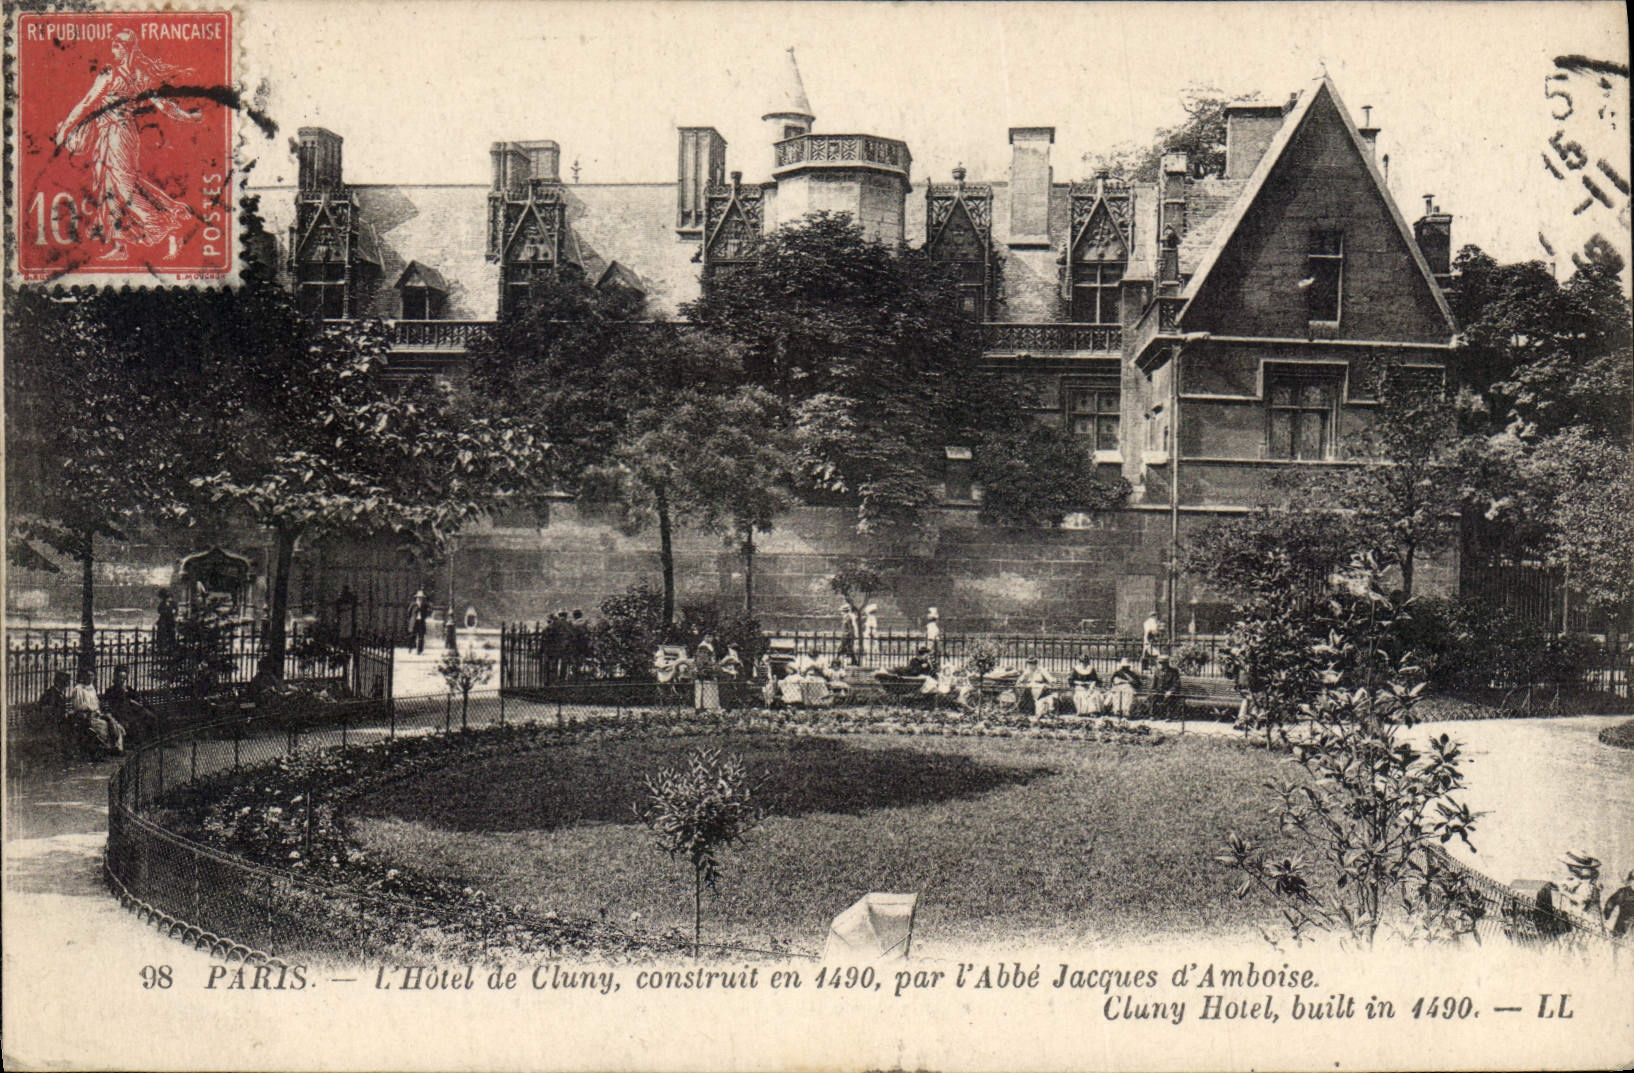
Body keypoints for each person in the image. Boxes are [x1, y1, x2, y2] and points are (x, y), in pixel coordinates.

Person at [52, 30, 201, 260]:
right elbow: (87, 103)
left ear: (129, 48)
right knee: (110, 185)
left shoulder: (128, 75)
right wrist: (66, 128)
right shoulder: (117, 74)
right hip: (107, 135)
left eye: (119, 45)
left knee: (123, 188)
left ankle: (167, 227)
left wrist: (188, 117)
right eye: (114, 44)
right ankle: (121, 245)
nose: (115, 48)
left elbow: (163, 105)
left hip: (120, 136)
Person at [67, 669, 124, 755]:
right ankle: (107, 747)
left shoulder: (91, 688)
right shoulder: (78, 689)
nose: (90, 678)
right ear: (83, 677)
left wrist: (99, 710)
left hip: (96, 714)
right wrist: (91, 710)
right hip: (86, 715)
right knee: (103, 725)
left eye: (92, 676)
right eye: (88, 676)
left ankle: (117, 747)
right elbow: (78, 706)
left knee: (114, 723)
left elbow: (96, 703)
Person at [103, 664, 157, 742]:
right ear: (116, 677)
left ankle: (153, 741)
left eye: (124, 678)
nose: (122, 680)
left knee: (151, 716)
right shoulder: (111, 690)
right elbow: (112, 705)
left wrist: (136, 702)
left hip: (133, 710)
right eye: (120, 677)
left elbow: (137, 699)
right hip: (121, 713)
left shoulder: (128, 689)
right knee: (135, 724)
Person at [1559, 851, 1604, 918]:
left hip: (1586, 919)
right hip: (1582, 916)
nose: (1569, 869)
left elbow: (1581, 901)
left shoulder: (1587, 885)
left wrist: (1565, 892)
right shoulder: (1585, 882)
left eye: (1570, 867)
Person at [693, 636, 721, 712]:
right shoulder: (703, 647)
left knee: (707, 688)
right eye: (709, 637)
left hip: (707, 670)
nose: (711, 638)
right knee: (705, 689)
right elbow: (702, 661)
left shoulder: (709, 646)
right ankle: (704, 708)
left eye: (712, 637)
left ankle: (708, 707)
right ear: (705, 637)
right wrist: (710, 666)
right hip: (705, 671)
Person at [1603, 870, 1634, 938]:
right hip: (1622, 925)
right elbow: (1611, 902)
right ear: (1630, 881)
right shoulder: (1624, 892)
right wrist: (1606, 915)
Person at [1150, 653, 1182, 719]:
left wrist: (1170, 691)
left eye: (1163, 663)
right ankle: (1152, 715)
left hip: (1169, 691)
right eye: (1160, 663)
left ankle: (1168, 716)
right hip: (1159, 691)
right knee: (1153, 696)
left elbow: (1177, 683)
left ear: (1167, 663)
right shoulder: (1157, 671)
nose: (1161, 665)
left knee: (1170, 697)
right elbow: (1154, 683)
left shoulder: (1174, 671)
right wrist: (1152, 690)